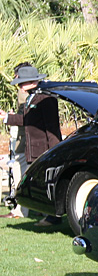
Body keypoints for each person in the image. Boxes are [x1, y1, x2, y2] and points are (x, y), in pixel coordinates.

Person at [2, 64, 61, 223]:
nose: (20, 86)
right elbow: (26, 120)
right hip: (32, 149)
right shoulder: (32, 96)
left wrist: (54, 151)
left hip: (43, 148)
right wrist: (6, 118)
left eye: (22, 82)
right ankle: (46, 214)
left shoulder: (46, 98)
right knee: (38, 184)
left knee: (46, 183)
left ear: (32, 81)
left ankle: (53, 218)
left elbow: (51, 127)